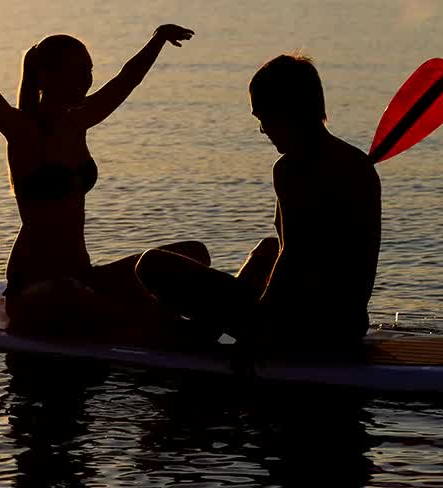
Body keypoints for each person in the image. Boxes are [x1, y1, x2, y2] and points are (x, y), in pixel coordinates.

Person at [0, 23, 208, 337]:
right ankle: (157, 324)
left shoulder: (81, 119)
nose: (86, 80)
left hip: (83, 277)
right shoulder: (20, 129)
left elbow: (127, 79)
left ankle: (147, 317)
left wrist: (158, 38)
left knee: (192, 254)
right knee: (69, 292)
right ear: (46, 77)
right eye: (76, 71)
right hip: (36, 289)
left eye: (89, 70)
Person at [135, 53, 379, 355]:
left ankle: (199, 335)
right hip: (349, 324)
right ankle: (205, 332)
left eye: (263, 117)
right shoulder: (358, 163)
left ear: (286, 111)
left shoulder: (291, 168)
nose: (263, 129)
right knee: (266, 248)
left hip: (303, 328)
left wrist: (257, 331)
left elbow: (294, 256)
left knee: (152, 263)